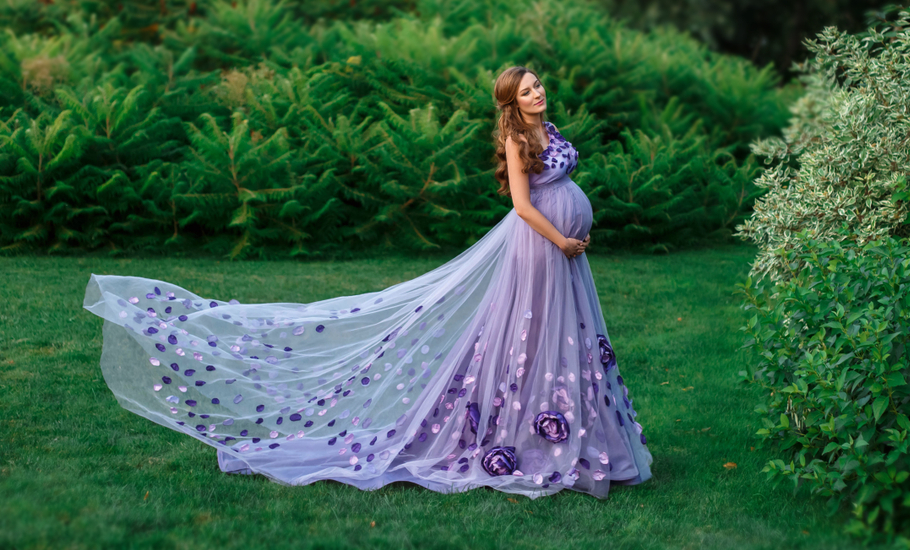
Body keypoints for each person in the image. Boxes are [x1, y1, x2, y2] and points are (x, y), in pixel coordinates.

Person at [82, 65, 653, 499]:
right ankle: (532, 438)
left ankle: (576, 437)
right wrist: (561, 240)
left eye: (538, 86)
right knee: (536, 337)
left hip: (566, 253)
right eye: (527, 91)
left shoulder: (549, 129)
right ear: (511, 101)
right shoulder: (516, 140)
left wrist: (571, 238)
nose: (538, 93)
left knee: (567, 336)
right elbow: (523, 207)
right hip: (542, 248)